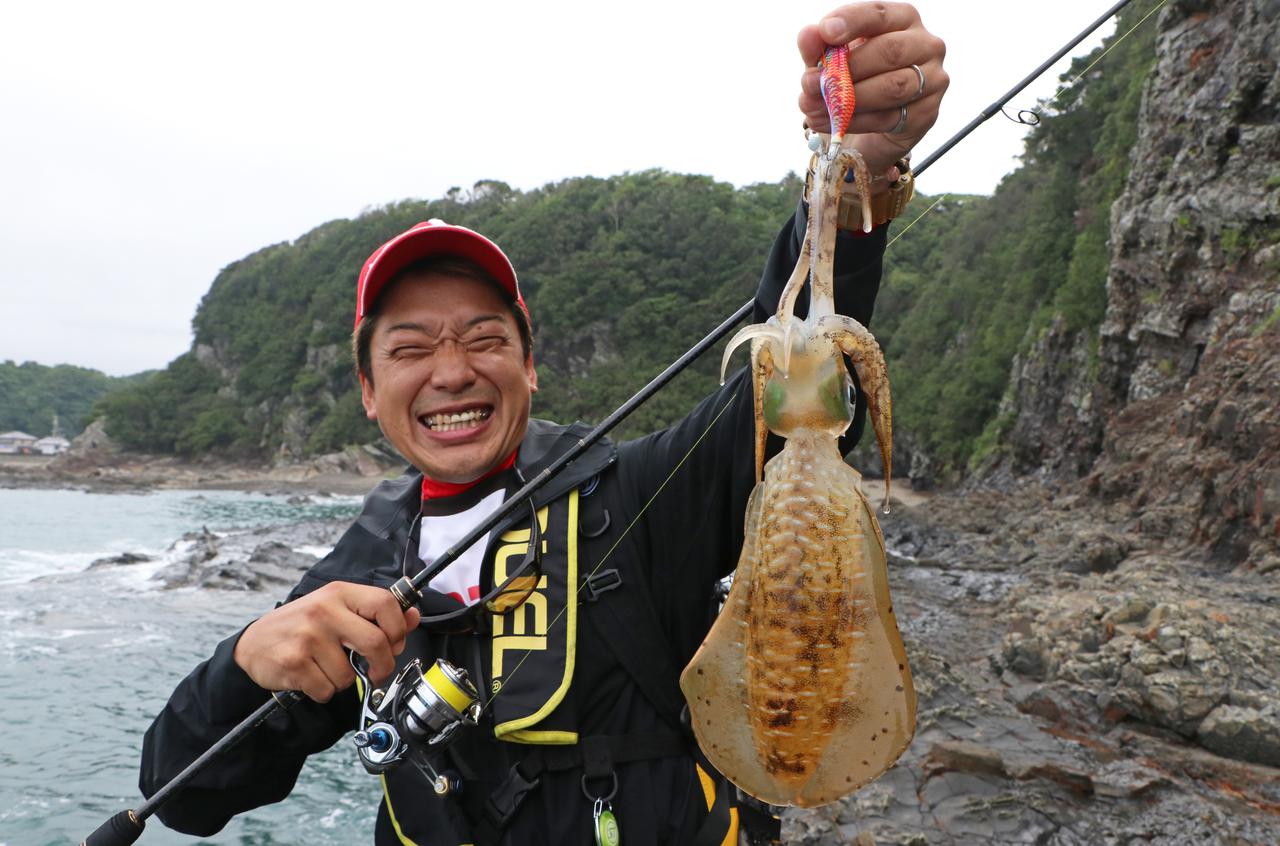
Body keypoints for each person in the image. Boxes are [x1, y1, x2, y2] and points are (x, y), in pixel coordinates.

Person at [139, 4, 948, 844]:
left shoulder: (635, 493)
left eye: (484, 339)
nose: (452, 371)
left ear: (529, 365)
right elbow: (183, 794)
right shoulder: (366, 566)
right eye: (411, 349)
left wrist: (856, 176)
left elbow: (785, 391)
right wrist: (243, 666)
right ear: (369, 391)